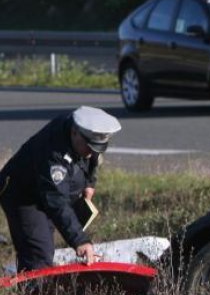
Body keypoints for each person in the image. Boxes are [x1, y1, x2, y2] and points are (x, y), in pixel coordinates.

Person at [0, 106, 121, 272]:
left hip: (49, 194)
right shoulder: (53, 151)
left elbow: (94, 157)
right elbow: (56, 200)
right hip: (24, 197)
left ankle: (39, 290)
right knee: (38, 253)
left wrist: (89, 184)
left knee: (45, 247)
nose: (90, 152)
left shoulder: (84, 135)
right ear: (74, 132)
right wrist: (79, 240)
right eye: (89, 147)